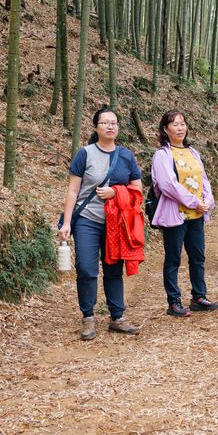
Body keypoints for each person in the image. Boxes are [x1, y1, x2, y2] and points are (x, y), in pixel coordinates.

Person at [58, 107, 144, 341]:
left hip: (117, 222)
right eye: (105, 122)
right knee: (86, 267)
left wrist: (115, 192)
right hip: (87, 219)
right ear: (96, 127)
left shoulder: (126, 156)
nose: (110, 126)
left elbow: (138, 190)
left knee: (113, 269)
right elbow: (73, 191)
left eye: (114, 123)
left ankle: (117, 317)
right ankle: (88, 316)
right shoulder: (85, 154)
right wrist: (66, 223)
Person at [150, 111, 218, 317]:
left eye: (182, 124)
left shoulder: (193, 152)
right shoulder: (162, 155)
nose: (179, 128)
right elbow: (167, 185)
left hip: (197, 215)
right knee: (173, 258)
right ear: (165, 129)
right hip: (175, 215)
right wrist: (194, 202)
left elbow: (203, 179)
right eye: (174, 124)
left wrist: (208, 201)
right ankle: (174, 301)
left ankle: (199, 296)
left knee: (197, 257)